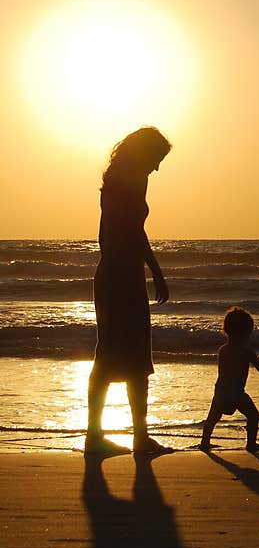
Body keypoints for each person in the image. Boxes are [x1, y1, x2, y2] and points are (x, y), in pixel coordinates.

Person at [85, 127, 172, 456]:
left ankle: (102, 436)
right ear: (146, 152)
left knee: (110, 354)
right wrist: (156, 271)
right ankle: (135, 437)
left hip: (113, 273)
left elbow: (112, 233)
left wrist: (144, 268)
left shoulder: (115, 177)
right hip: (122, 277)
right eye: (157, 160)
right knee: (130, 357)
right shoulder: (132, 177)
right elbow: (133, 230)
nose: (157, 168)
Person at [200, 307, 259, 452]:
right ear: (246, 332)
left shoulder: (223, 350)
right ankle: (251, 444)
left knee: (213, 418)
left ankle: (204, 442)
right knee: (253, 414)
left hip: (221, 391)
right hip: (236, 392)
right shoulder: (246, 350)